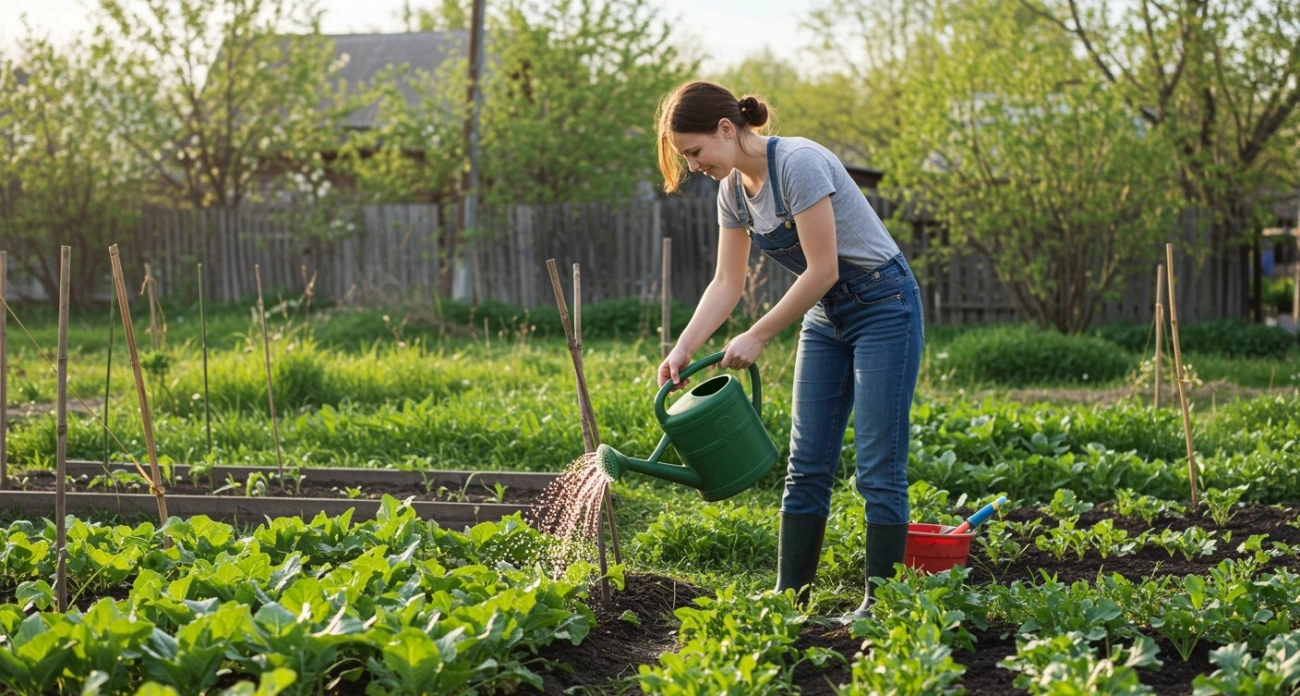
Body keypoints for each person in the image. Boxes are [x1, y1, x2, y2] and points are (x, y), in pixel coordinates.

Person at [653, 80, 924, 618]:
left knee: (877, 464)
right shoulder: (732, 192)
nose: (694, 165)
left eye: (696, 151)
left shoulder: (798, 164)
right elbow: (726, 282)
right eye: (687, 157)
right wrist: (682, 347)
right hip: (826, 317)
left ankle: (882, 603)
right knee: (807, 462)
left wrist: (758, 334)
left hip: (884, 306)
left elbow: (823, 269)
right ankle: (790, 595)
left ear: (726, 129)